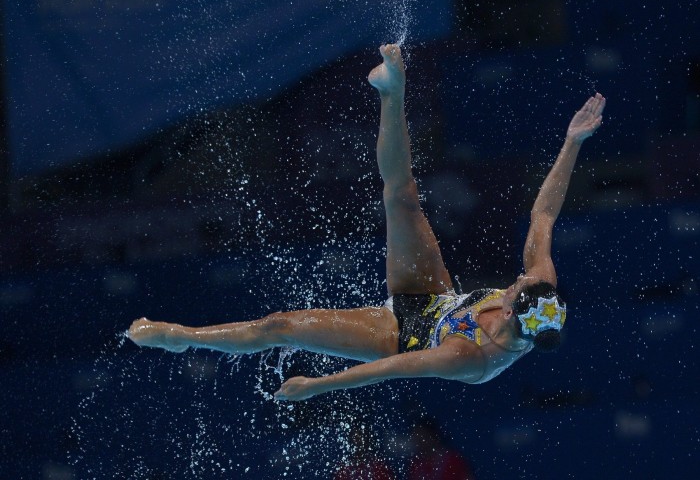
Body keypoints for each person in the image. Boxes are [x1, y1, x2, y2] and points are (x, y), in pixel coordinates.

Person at [127, 44, 606, 401]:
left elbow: (391, 368)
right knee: (402, 198)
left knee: (281, 325)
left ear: (509, 315)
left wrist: (319, 385)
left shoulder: (469, 359)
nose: (519, 277)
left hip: (402, 333)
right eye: (526, 279)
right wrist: (573, 142)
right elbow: (543, 213)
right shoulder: (540, 291)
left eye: (515, 288)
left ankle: (178, 337)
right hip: (437, 298)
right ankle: (391, 90)